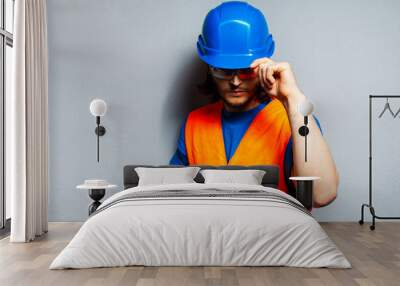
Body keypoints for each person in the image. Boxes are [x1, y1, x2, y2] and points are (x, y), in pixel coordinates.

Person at [170, 1, 338, 207]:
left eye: (246, 70)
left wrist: (293, 97)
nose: (235, 81)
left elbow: (321, 194)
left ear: (263, 64)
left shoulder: (293, 120)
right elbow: (175, 196)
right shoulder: (194, 123)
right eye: (223, 70)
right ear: (209, 68)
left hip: (273, 236)